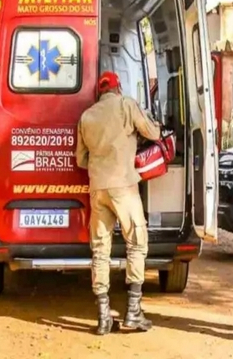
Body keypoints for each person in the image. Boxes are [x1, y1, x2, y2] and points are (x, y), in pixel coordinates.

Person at [75, 71, 161, 336]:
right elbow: (153, 132)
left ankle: (104, 317)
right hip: (123, 186)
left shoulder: (86, 117)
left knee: (100, 250)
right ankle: (133, 312)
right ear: (118, 87)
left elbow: (80, 159)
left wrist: (101, 164)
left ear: (99, 91)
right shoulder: (126, 105)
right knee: (136, 242)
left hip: (97, 188)